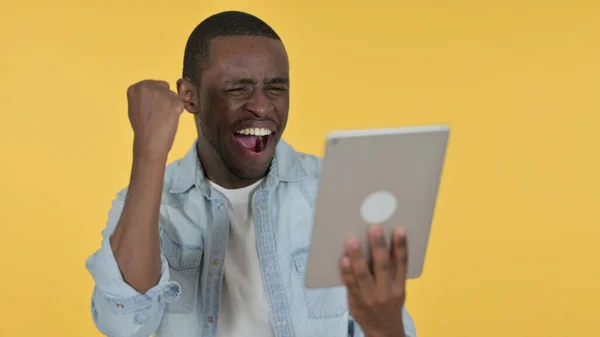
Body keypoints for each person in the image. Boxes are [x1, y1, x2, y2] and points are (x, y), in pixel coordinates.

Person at [86, 10, 417, 337]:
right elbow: (122, 322)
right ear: (189, 96)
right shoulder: (149, 204)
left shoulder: (337, 192)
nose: (261, 106)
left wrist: (384, 322)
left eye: (275, 88)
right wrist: (149, 151)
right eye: (238, 88)